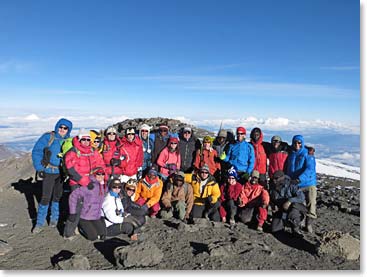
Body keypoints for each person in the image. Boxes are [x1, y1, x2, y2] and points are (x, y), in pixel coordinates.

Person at [31, 118, 73, 233]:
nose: (62, 130)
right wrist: (39, 168)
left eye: (65, 128)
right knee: (45, 197)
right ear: (57, 127)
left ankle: (54, 219)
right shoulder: (48, 137)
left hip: (61, 173)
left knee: (57, 196)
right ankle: (39, 223)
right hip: (49, 171)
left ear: (68, 130)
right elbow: (37, 151)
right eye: (61, 127)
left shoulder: (69, 141)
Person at [64, 167, 107, 241]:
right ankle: (80, 226)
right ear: (94, 175)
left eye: (103, 174)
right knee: (93, 237)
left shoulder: (103, 186)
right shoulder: (89, 186)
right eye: (98, 174)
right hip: (85, 217)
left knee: (103, 234)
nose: (101, 176)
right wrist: (72, 212)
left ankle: (93, 227)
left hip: (96, 216)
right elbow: (73, 195)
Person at [285, 135, 317, 233]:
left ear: (302, 143)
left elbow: (310, 169)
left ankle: (308, 224)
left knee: (311, 204)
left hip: (308, 183)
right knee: (297, 204)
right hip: (296, 184)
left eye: (299, 143)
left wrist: (299, 179)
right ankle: (298, 222)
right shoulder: (291, 154)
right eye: (295, 142)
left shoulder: (308, 154)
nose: (297, 145)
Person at [269, 170, 307, 237]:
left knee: (294, 208)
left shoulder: (291, 185)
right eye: (273, 178)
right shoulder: (272, 187)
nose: (274, 180)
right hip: (281, 209)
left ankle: (296, 229)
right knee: (275, 230)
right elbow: (271, 198)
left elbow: (301, 197)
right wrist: (272, 204)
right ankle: (283, 224)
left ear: (282, 178)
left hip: (295, 208)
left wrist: (290, 201)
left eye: (276, 178)